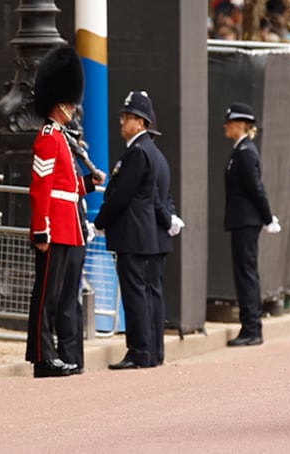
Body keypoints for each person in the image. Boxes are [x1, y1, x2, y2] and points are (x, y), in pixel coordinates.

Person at [96, 89, 178, 370]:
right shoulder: (155, 154)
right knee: (152, 294)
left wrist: (100, 222)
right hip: (151, 236)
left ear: (140, 123)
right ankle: (153, 352)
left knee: (136, 295)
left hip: (135, 236)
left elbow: (120, 196)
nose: (122, 121)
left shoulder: (137, 154)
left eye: (127, 117)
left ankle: (140, 351)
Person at [27, 46, 88, 378]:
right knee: (47, 297)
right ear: (59, 102)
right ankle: (42, 357)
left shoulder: (62, 137)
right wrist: (41, 229)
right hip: (53, 227)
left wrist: (88, 184)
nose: (73, 107)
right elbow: (41, 189)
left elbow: (67, 185)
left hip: (68, 226)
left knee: (60, 295)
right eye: (70, 102)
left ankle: (54, 355)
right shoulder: (48, 137)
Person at [222, 103, 279, 346]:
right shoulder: (241, 150)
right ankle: (250, 325)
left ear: (240, 125)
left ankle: (252, 327)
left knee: (246, 274)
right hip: (241, 220)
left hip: (246, 221)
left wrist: (268, 217)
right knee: (244, 273)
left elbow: (256, 188)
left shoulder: (245, 152)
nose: (226, 126)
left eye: (230, 122)